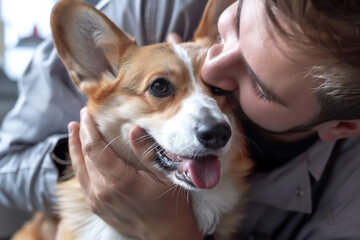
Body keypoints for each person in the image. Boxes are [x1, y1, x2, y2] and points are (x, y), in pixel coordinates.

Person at [1, 0, 360, 239]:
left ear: (341, 127)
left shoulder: (350, 201)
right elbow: (6, 165)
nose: (213, 66)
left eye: (260, 86)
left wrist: (171, 230)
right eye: (232, 26)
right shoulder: (153, 10)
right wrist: (95, 159)